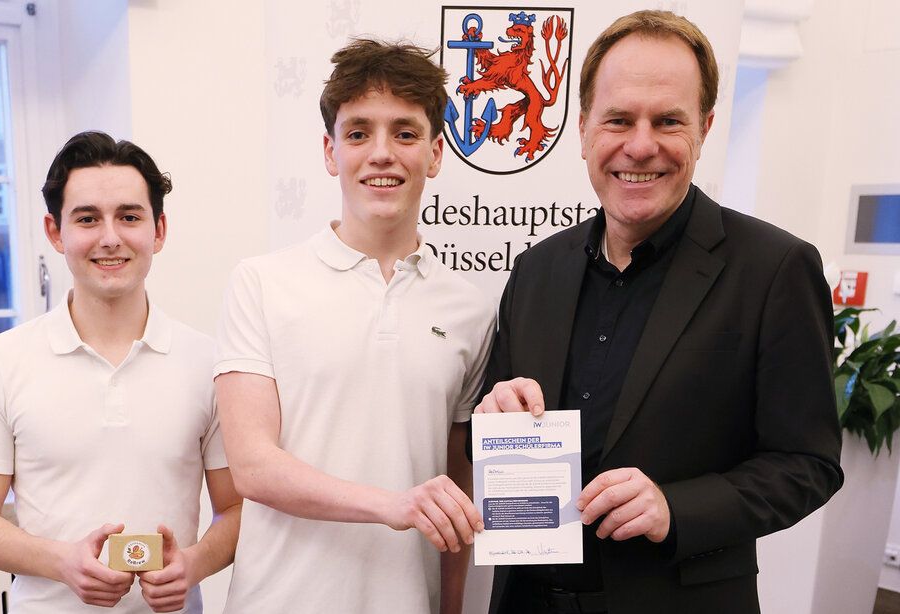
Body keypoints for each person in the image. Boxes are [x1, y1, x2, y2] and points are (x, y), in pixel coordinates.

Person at [474, 10, 844, 614]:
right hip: (526, 601)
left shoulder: (776, 269)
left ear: (705, 126)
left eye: (667, 120)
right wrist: (493, 413)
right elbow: (492, 420)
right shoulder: (538, 269)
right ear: (585, 130)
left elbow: (809, 464)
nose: (640, 145)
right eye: (618, 119)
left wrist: (678, 508)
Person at [214, 39, 495, 614]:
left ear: (436, 154)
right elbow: (252, 467)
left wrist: (452, 606)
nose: (382, 153)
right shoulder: (261, 283)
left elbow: (455, 488)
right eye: (359, 132)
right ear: (329, 150)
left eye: (406, 133)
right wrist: (390, 505)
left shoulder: (470, 308)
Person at [0, 131, 241, 614]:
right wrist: (61, 561)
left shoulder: (210, 363)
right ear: (55, 232)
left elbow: (235, 508)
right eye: (87, 219)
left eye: (129, 217)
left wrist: (194, 564)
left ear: (159, 230)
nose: (110, 238)